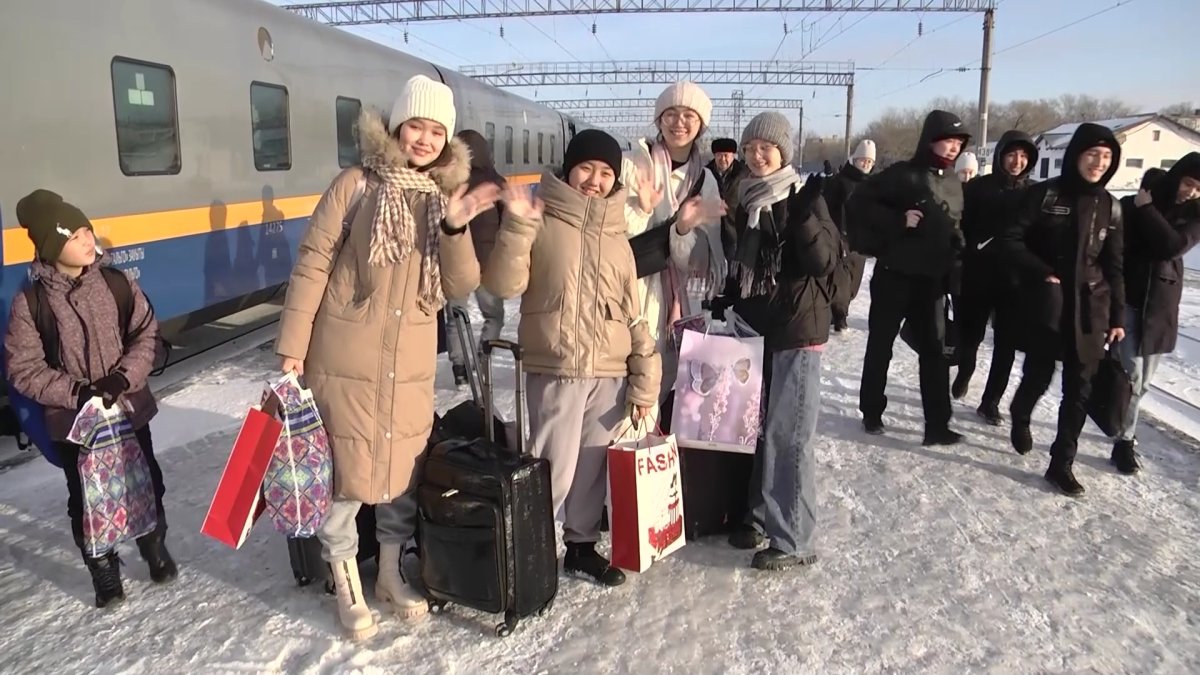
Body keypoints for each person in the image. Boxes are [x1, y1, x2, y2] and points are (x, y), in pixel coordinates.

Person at [275, 75, 497, 640]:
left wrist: (455, 227)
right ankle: (345, 576)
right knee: (344, 473)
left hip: (411, 358)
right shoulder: (355, 184)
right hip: (345, 352)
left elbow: (461, 284)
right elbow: (313, 262)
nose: (424, 139)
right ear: (397, 126)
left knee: (402, 471)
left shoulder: (444, 199)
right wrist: (292, 347)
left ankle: (391, 574)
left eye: (436, 131)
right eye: (415, 126)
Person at [484, 130, 661, 586]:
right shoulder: (541, 219)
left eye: (605, 173)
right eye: (586, 168)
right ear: (568, 170)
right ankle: (530, 554)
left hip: (610, 372)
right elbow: (503, 284)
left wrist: (645, 380)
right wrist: (517, 226)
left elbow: (634, 314)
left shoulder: (617, 237)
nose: (594, 181)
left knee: (590, 471)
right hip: (557, 367)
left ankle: (581, 547)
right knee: (550, 470)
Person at [4, 189, 173, 609]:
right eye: (75, 235)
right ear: (52, 246)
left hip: (127, 408)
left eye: (87, 231)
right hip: (74, 421)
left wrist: (121, 378)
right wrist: (77, 392)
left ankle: (153, 543)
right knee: (85, 497)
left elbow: (146, 334)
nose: (87, 240)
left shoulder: (117, 284)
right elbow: (24, 369)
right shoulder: (32, 304)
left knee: (147, 479)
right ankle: (103, 567)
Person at [718, 112, 840, 570]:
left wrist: (804, 217)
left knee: (788, 434)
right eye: (751, 148)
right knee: (754, 427)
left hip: (797, 330)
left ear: (783, 152)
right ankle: (756, 517)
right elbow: (745, 267)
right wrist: (727, 297)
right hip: (758, 328)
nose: (757, 155)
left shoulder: (803, 197)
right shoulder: (746, 197)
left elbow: (822, 262)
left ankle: (792, 538)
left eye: (766, 148)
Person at [1002, 122, 1126, 496]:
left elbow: (1114, 265)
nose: (1099, 163)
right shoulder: (1045, 194)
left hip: (1091, 308)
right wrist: (1041, 271)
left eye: (1107, 157)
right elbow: (1011, 239)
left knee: (1080, 390)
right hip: (1050, 304)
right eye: (1093, 154)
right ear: (1076, 155)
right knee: (1038, 376)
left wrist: (1117, 317)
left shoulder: (1111, 206)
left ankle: (1061, 463)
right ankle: (1020, 413)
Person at [847, 109, 970, 445]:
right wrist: (898, 219)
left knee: (934, 351)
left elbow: (956, 223)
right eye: (948, 141)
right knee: (881, 346)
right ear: (930, 140)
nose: (954, 148)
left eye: (959, 143)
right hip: (894, 276)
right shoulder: (901, 175)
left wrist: (957, 244)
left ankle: (937, 425)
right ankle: (872, 411)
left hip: (931, 281)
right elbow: (858, 203)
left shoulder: (954, 183)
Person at [621, 81, 727, 428]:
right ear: (659, 120)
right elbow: (614, 241)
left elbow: (704, 263)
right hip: (633, 297)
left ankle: (653, 454)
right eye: (671, 114)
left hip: (681, 308)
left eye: (689, 116)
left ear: (701, 125)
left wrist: (682, 231)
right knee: (627, 392)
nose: (679, 123)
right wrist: (639, 210)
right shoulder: (632, 166)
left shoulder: (706, 182)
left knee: (668, 393)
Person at [1113, 155, 1200, 472]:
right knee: (1132, 376)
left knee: (1145, 382)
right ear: (1177, 177)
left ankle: (1121, 422)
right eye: (1188, 183)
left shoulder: (1194, 215)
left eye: (1199, 188)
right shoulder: (1131, 203)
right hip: (1127, 300)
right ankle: (1124, 441)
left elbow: (1173, 247)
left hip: (1161, 306)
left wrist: (1147, 210)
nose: (1192, 192)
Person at [952, 130, 1039, 423]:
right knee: (970, 336)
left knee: (1006, 344)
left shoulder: (1034, 193)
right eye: (1012, 154)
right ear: (1001, 155)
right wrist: (966, 251)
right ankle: (965, 370)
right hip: (978, 275)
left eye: (1024, 156)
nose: (1017, 161)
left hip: (1014, 281)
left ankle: (991, 401)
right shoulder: (978, 188)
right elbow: (960, 227)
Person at [445, 128, 509, 384]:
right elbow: (507, 223)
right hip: (487, 261)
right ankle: (483, 358)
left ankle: (460, 368)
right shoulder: (497, 183)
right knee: (494, 316)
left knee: (456, 317)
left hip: (455, 262)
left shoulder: (450, 183)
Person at [823, 139, 876, 331]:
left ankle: (839, 310)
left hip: (861, 241)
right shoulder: (841, 181)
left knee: (853, 283)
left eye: (869, 161)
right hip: (841, 238)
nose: (866, 164)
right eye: (863, 160)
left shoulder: (873, 184)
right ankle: (839, 316)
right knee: (841, 280)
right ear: (855, 159)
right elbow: (829, 204)